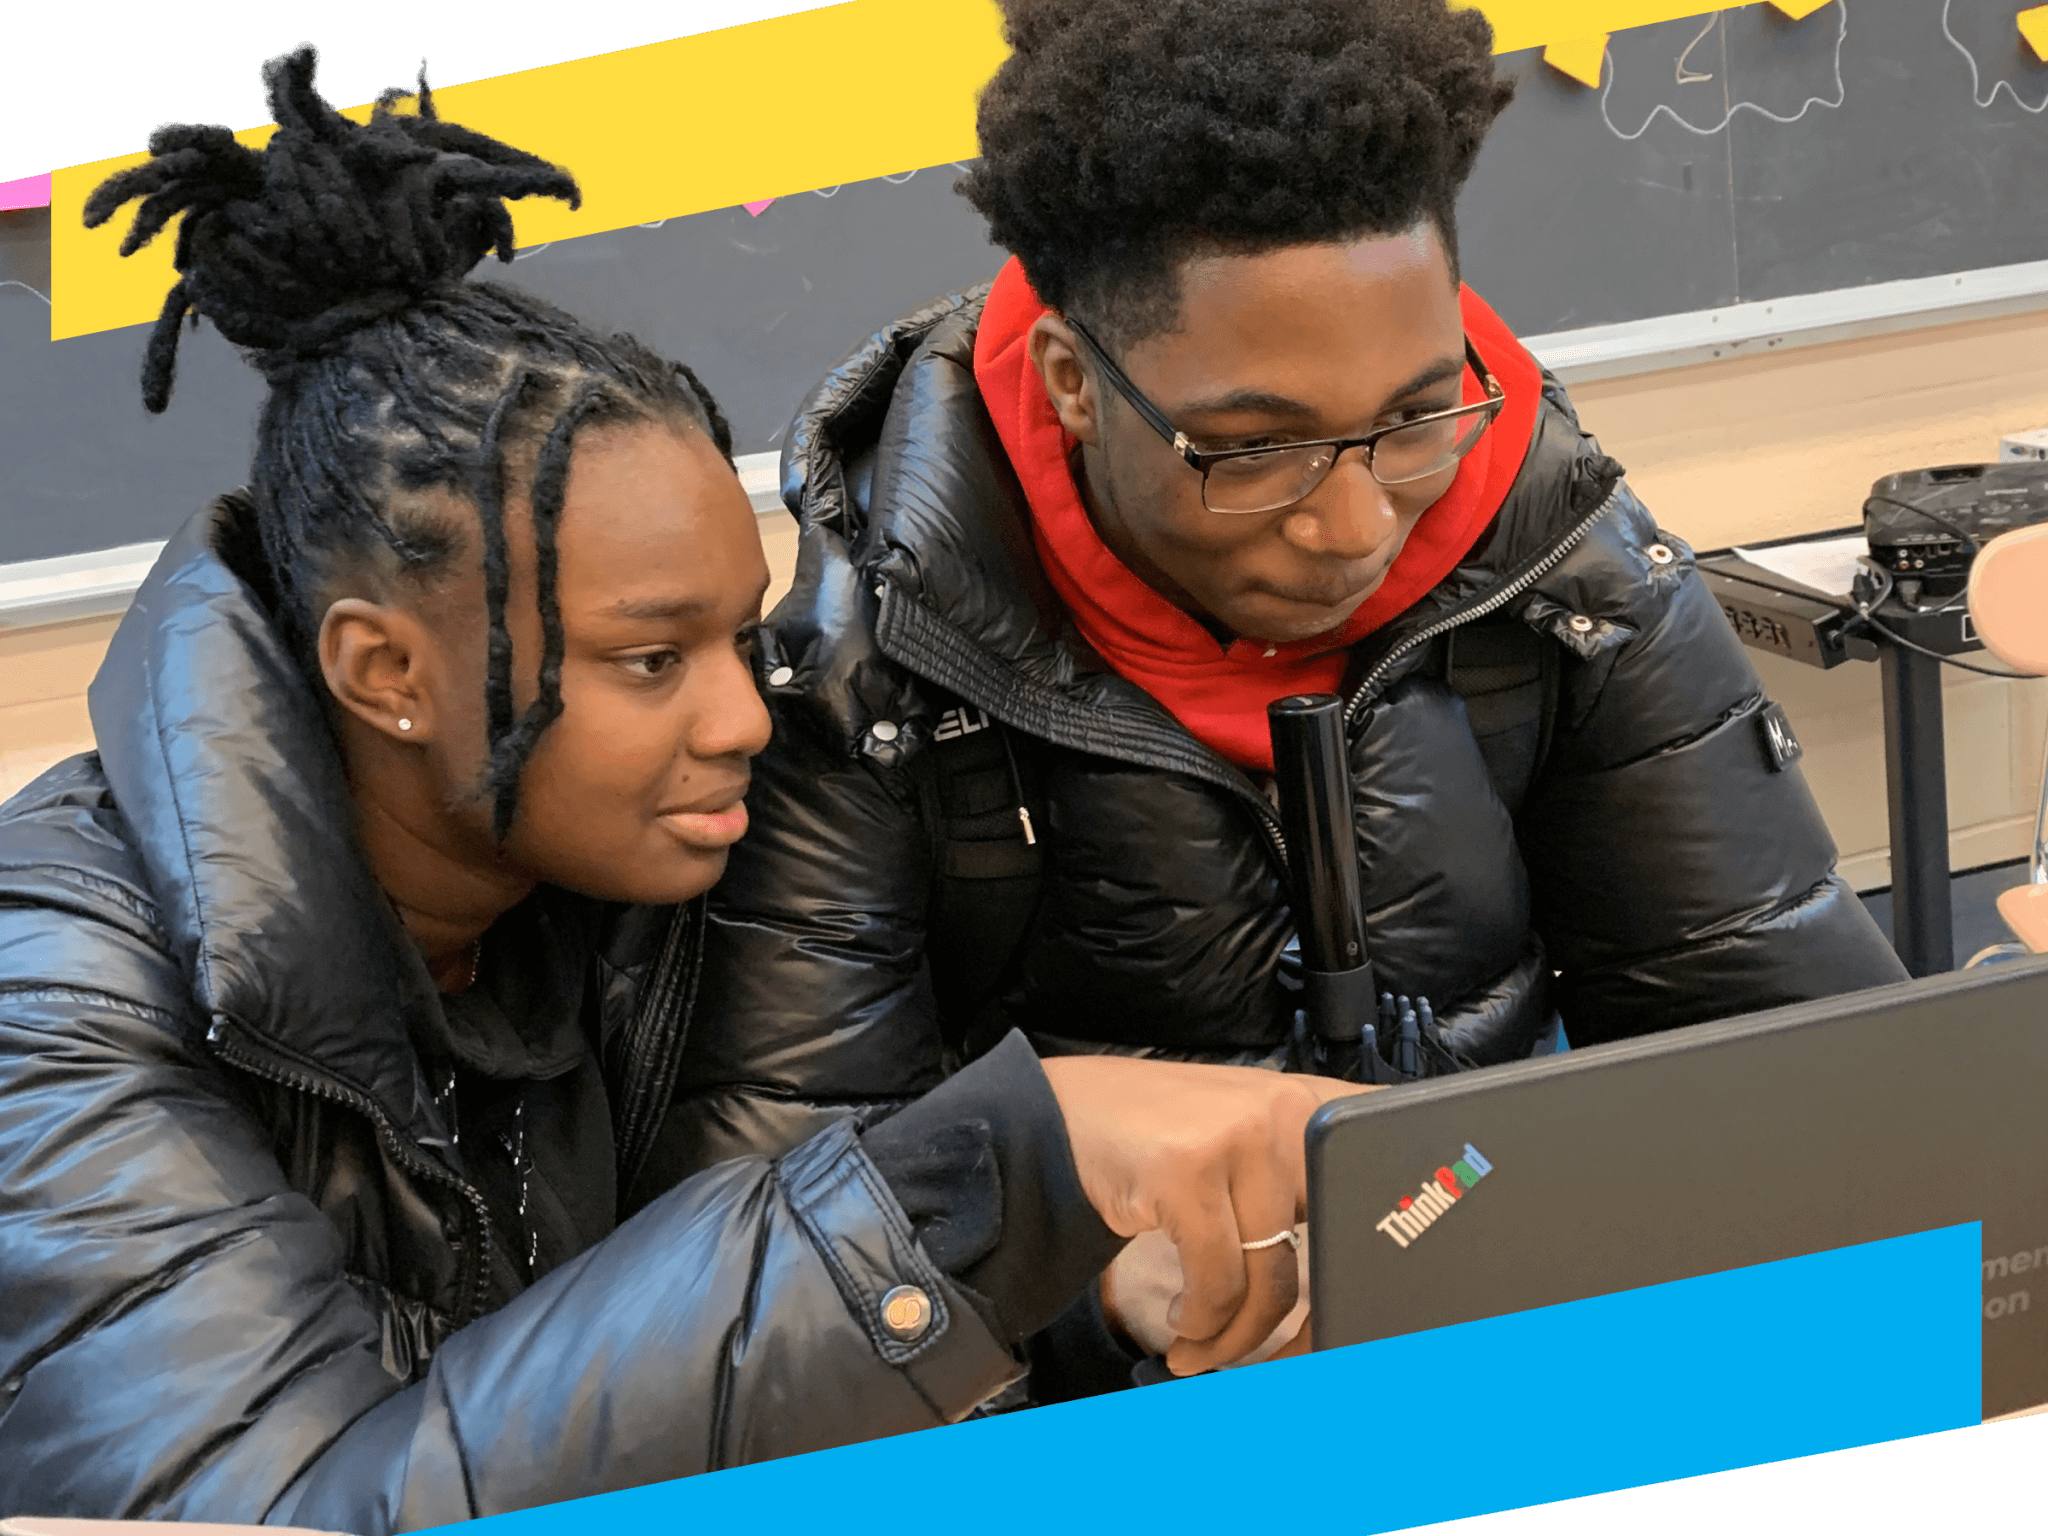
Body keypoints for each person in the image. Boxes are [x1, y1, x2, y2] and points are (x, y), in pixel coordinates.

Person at [0, 45, 1364, 1529]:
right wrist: (976, 1178)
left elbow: (699, 1363)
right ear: (383, 674)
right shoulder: (55, 999)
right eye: (651, 661)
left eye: (737, 635)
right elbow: (290, 1512)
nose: (744, 719)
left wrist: (1078, 1284)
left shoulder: (635, 877)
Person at [689, 0, 1909, 1229]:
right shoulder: (872, 661)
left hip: (1481, 1251)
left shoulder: (1562, 568)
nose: (1357, 527)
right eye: (1253, 449)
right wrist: (1098, 1295)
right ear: (1071, 383)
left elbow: (1792, 1063)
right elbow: (787, 1247)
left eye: (1416, 416)